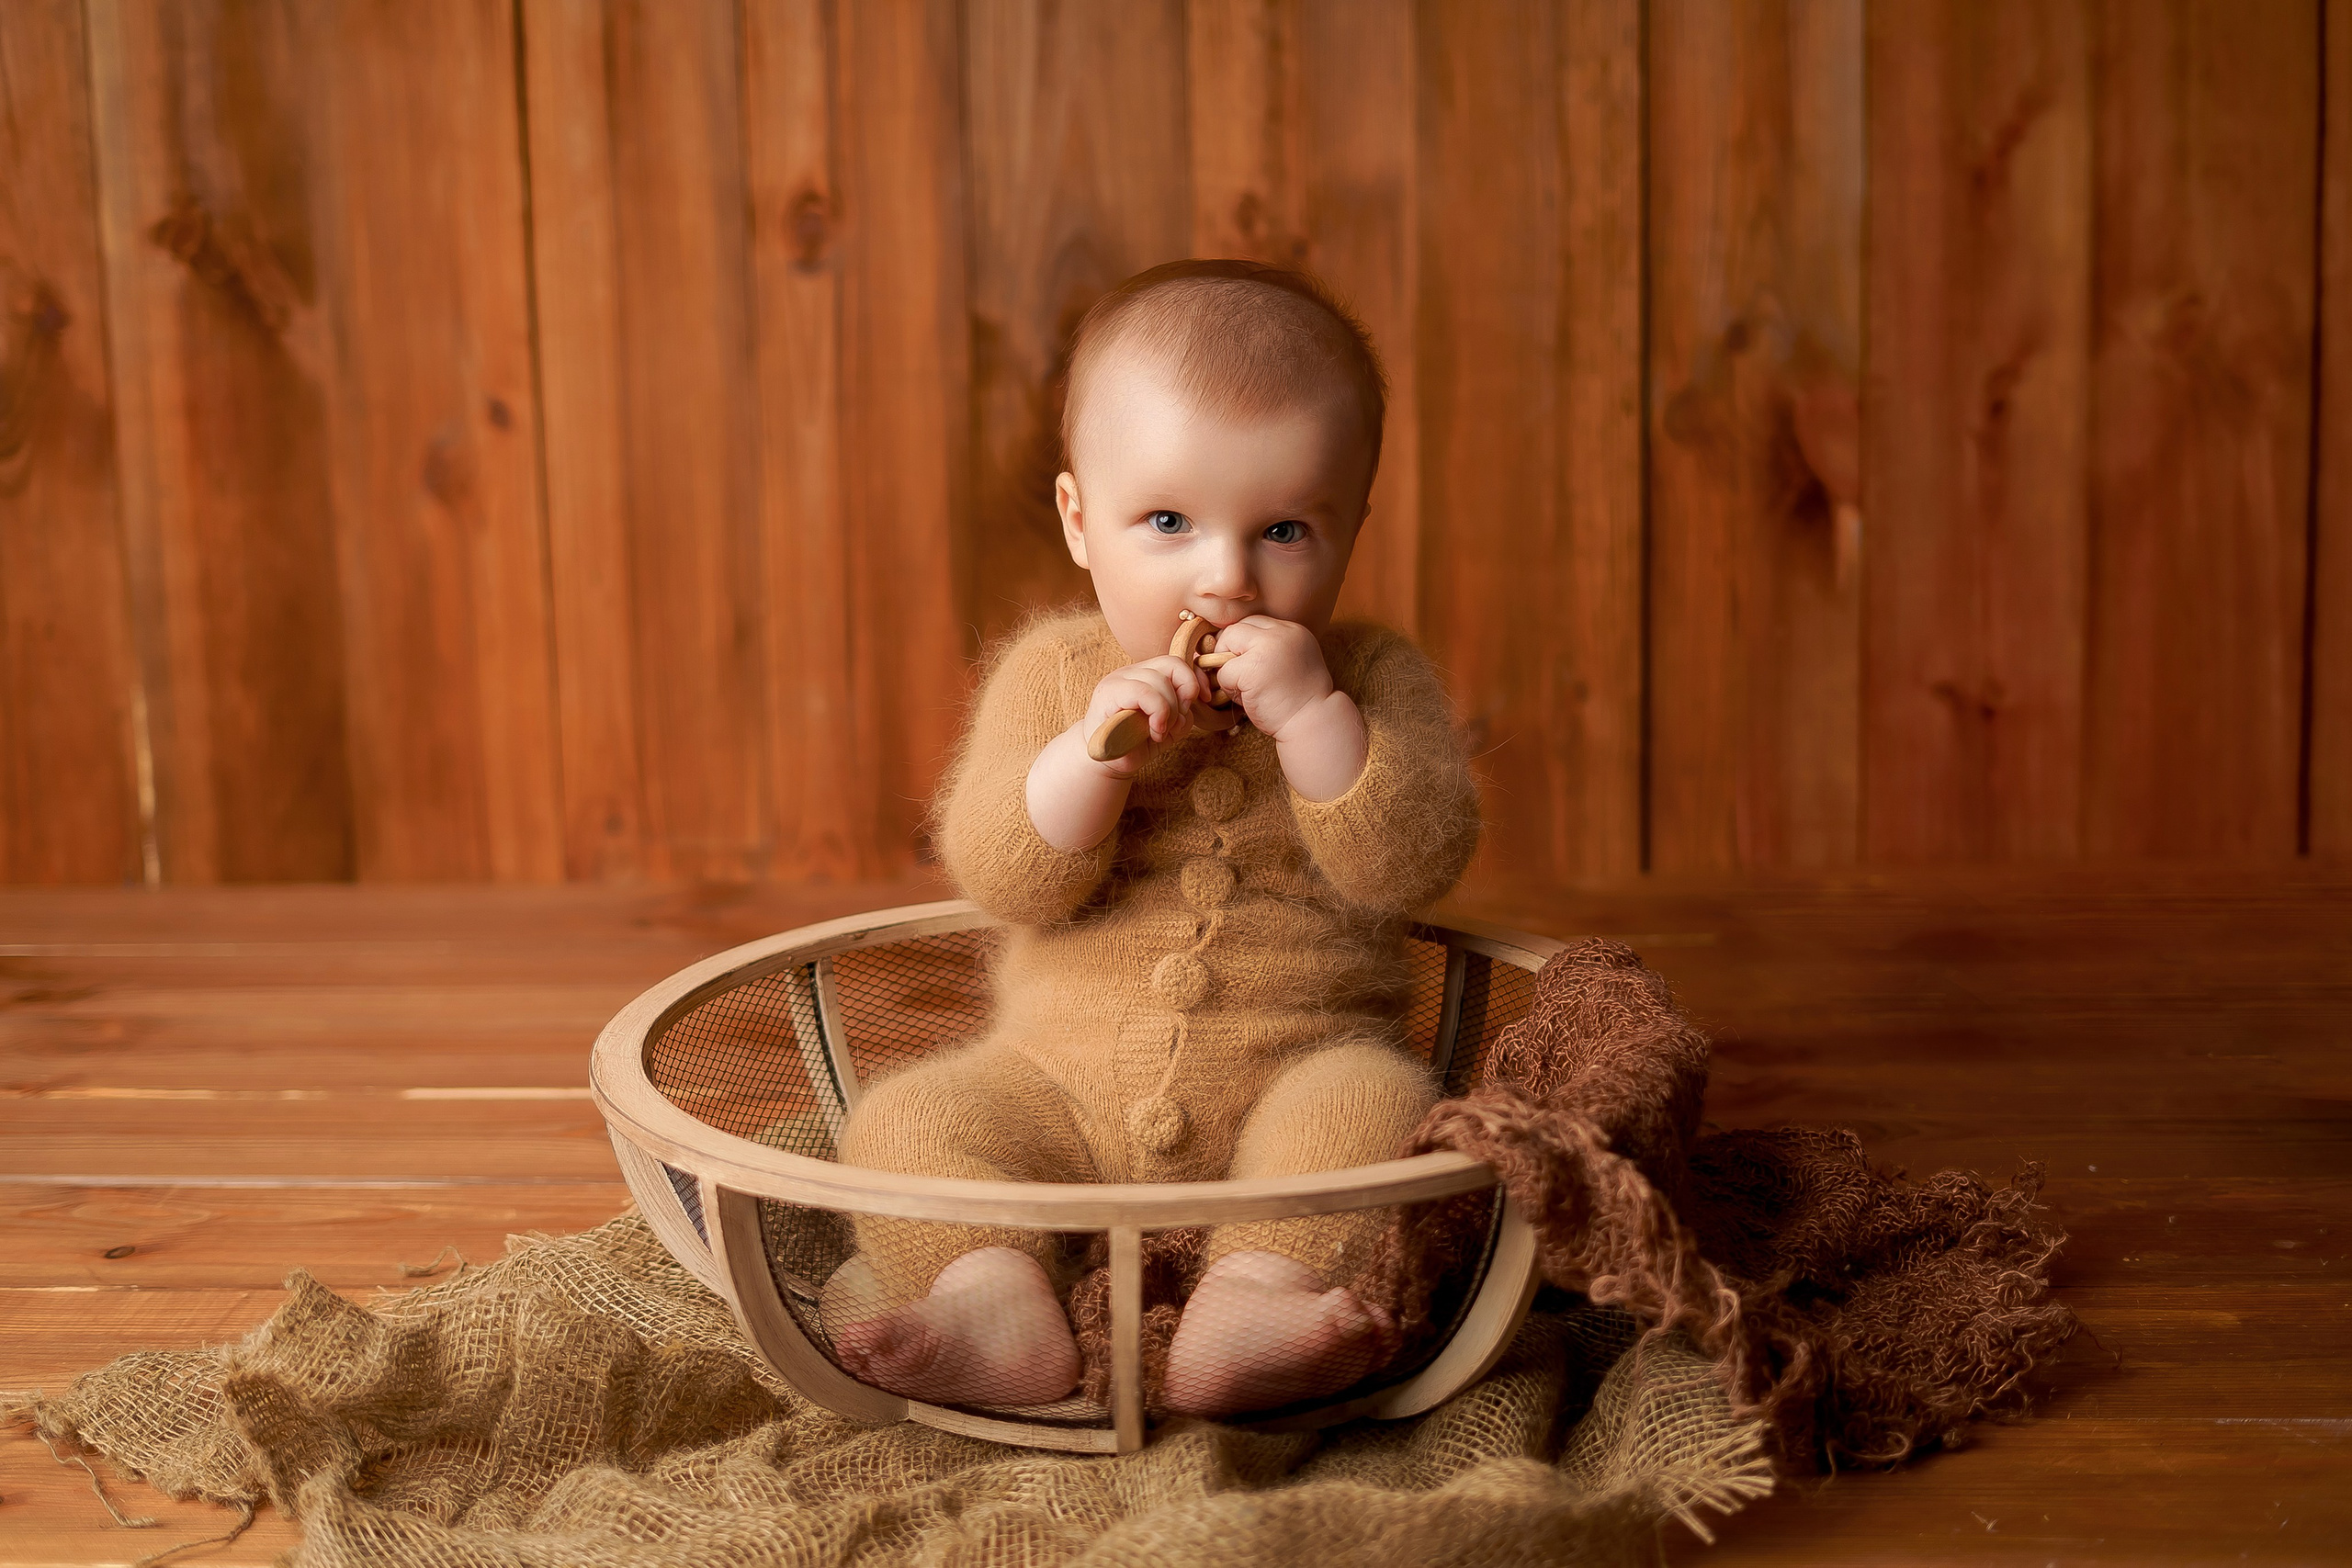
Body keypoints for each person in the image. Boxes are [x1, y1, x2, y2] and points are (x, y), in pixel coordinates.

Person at [820, 259, 1480, 1419]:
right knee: (907, 1119)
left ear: (1349, 530)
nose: (1224, 579)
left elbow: (1408, 864)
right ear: (1080, 521)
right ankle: (993, 1303)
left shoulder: (1371, 677)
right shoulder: (1059, 674)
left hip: (1290, 1076)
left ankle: (1257, 1299)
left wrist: (1318, 722)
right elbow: (1003, 875)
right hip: (1053, 1087)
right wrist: (1091, 760)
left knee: (1377, 1104)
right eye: (1167, 522)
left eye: (1282, 530)